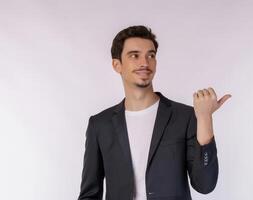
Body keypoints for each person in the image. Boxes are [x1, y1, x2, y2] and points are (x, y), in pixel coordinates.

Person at [78, 25, 231, 200]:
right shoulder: (100, 125)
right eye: (135, 55)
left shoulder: (185, 116)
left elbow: (205, 185)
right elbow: (89, 194)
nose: (145, 63)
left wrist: (204, 119)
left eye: (150, 55)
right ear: (117, 65)